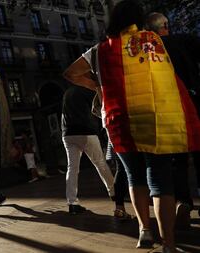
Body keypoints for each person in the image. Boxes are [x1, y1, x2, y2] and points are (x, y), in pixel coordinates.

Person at [63, 1, 200, 252]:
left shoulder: (99, 50)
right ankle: (169, 243)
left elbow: (71, 73)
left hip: (118, 121)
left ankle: (144, 232)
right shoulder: (153, 41)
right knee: (159, 181)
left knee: (134, 177)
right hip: (154, 119)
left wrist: (97, 86)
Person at [146, 12, 200, 227]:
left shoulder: (147, 50)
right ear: (166, 25)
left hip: (166, 110)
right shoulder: (183, 41)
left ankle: (183, 201)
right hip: (193, 104)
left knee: (178, 161)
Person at [61, 85, 115, 215]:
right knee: (100, 163)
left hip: (67, 133)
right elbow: (97, 110)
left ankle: (72, 203)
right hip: (86, 132)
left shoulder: (67, 92)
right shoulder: (88, 90)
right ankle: (114, 192)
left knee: (72, 168)